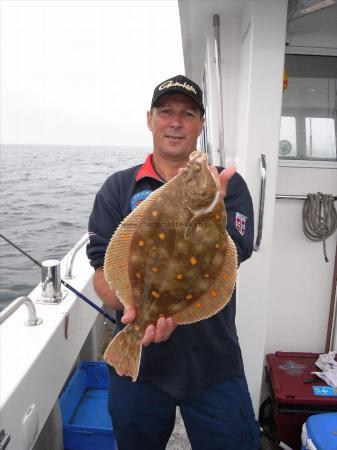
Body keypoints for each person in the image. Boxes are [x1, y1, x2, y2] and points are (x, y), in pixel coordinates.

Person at [87, 74, 260, 450]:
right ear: (150, 118)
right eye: (166, 112)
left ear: (200, 124)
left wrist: (210, 208)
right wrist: (134, 311)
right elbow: (103, 271)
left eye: (188, 113)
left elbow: (232, 256)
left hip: (214, 360)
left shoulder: (229, 186)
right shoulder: (118, 188)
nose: (176, 122)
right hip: (141, 366)